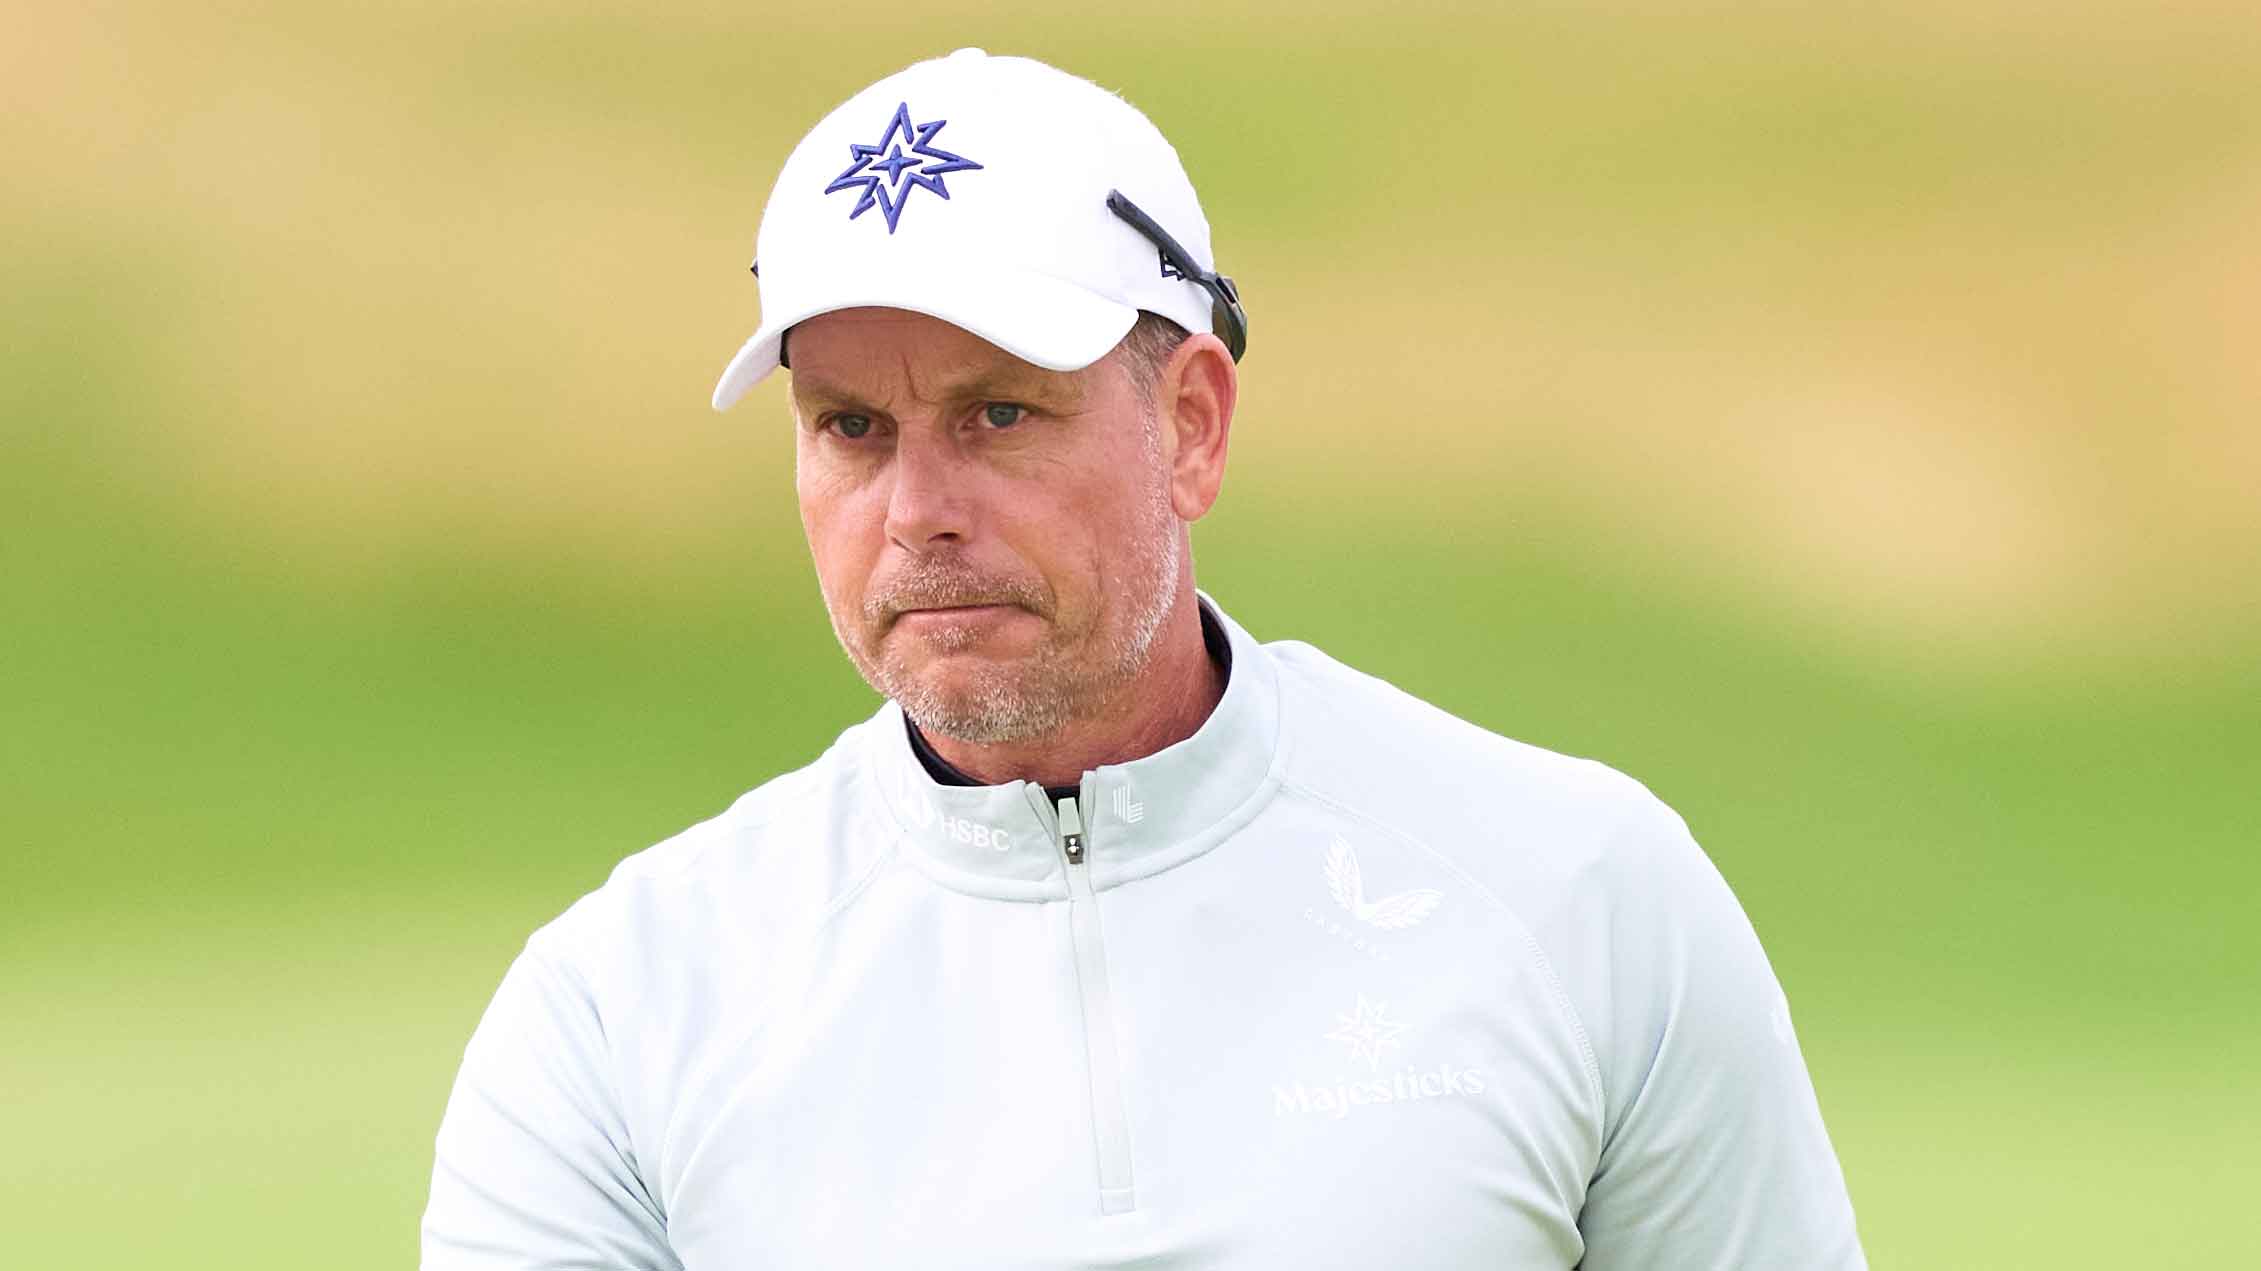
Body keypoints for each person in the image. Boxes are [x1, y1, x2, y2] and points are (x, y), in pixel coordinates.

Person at [422, 49, 1865, 1270]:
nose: (917, 512)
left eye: (997, 416)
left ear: (1189, 423)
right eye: (850, 427)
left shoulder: (1581, 896)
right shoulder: (621, 1009)